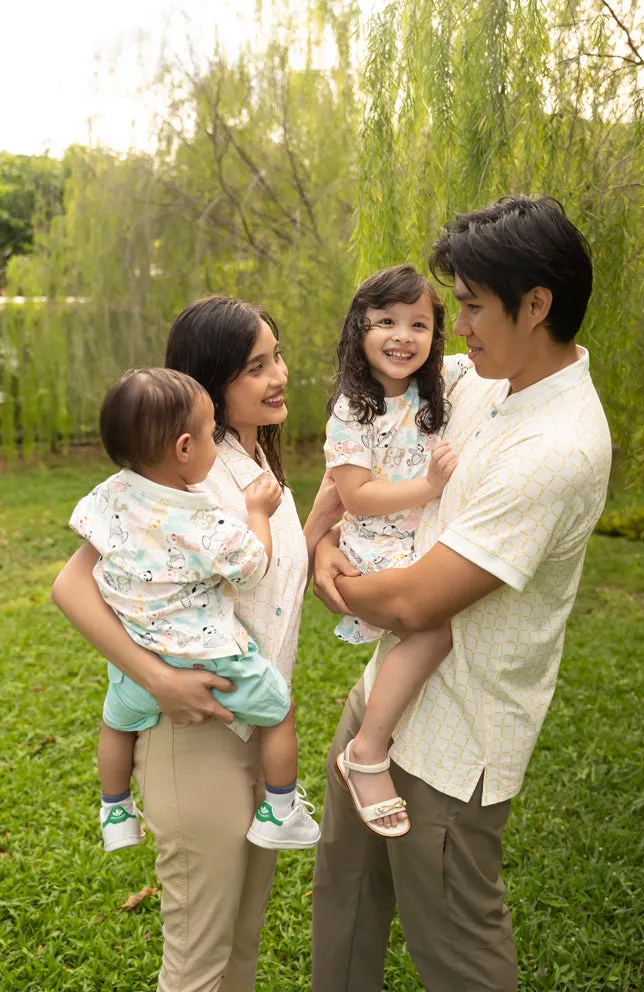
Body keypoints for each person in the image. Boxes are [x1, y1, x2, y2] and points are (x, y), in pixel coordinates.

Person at [312, 196, 612, 992]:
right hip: (383, 695)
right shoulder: (480, 377)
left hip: (454, 733)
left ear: (536, 305)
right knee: (343, 897)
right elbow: (367, 432)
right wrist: (319, 536)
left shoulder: (556, 448)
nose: (457, 327)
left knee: (457, 953)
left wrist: (337, 580)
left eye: (473, 307)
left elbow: (416, 605)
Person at [52, 296, 342, 992]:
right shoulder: (177, 479)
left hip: (251, 723)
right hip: (197, 732)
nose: (279, 375)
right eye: (256, 366)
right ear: (212, 382)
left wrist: (325, 526)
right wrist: (156, 679)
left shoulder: (240, 462)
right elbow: (71, 587)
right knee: (199, 959)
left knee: (239, 942)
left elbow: (260, 581)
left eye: (276, 356)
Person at [70, 366, 320, 853]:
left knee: (115, 724)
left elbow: (84, 531)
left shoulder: (109, 495)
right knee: (279, 710)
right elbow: (251, 566)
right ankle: (282, 809)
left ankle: (116, 810)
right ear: (185, 448)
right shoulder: (201, 519)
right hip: (208, 657)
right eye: (209, 436)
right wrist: (256, 514)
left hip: (135, 658)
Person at [324, 264, 468, 836]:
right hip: (377, 544)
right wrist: (429, 487)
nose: (402, 336)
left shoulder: (438, 391)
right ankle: (367, 750)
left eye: (419, 324)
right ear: (359, 330)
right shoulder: (352, 411)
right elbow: (355, 496)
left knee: (435, 627)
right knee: (432, 628)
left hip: (417, 540)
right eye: (386, 322)